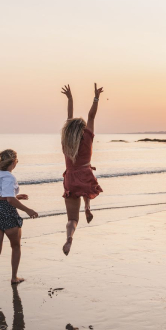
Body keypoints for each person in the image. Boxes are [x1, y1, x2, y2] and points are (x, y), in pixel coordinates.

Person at [0, 149, 38, 284]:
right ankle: (14, 277)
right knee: (15, 246)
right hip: (7, 212)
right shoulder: (9, 177)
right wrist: (28, 210)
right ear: (13, 161)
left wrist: (16, 196)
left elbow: (0, 195)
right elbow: (9, 200)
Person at [60, 83, 104, 255]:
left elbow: (69, 118)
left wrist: (70, 98)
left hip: (70, 178)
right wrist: (96, 97)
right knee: (86, 188)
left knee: (72, 219)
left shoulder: (66, 139)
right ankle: (87, 207)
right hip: (85, 174)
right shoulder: (87, 136)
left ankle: (69, 238)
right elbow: (91, 115)